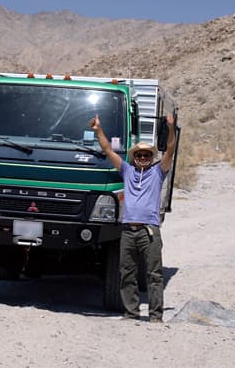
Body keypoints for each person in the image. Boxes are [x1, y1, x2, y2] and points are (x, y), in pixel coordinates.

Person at [89, 113, 176, 323]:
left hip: (149, 231)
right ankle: (131, 312)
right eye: (140, 155)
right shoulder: (127, 171)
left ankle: (155, 316)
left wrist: (171, 127)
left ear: (151, 157)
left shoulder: (158, 172)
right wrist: (98, 130)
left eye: (147, 155)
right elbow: (108, 150)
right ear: (134, 157)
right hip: (128, 230)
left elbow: (170, 150)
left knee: (153, 275)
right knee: (127, 273)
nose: (143, 158)